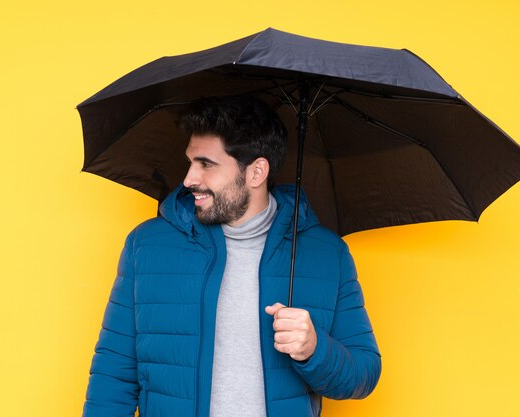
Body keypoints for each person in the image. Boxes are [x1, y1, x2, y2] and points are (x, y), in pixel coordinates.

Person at [82, 96, 381, 417]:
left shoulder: (327, 254)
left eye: (206, 164)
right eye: (190, 161)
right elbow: (113, 376)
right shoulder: (148, 245)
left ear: (256, 172)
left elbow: (363, 374)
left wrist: (315, 349)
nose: (188, 179)